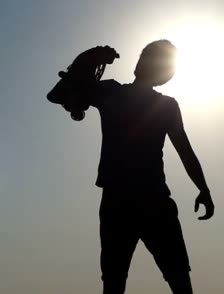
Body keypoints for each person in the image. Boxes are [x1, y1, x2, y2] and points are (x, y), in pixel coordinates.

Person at [85, 40, 214, 294]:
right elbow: (58, 95)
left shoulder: (114, 94)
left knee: (119, 281)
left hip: (131, 200)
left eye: (147, 57)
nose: (141, 61)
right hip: (141, 200)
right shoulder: (118, 94)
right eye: (144, 56)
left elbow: (185, 151)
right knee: (168, 279)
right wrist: (88, 61)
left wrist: (89, 61)